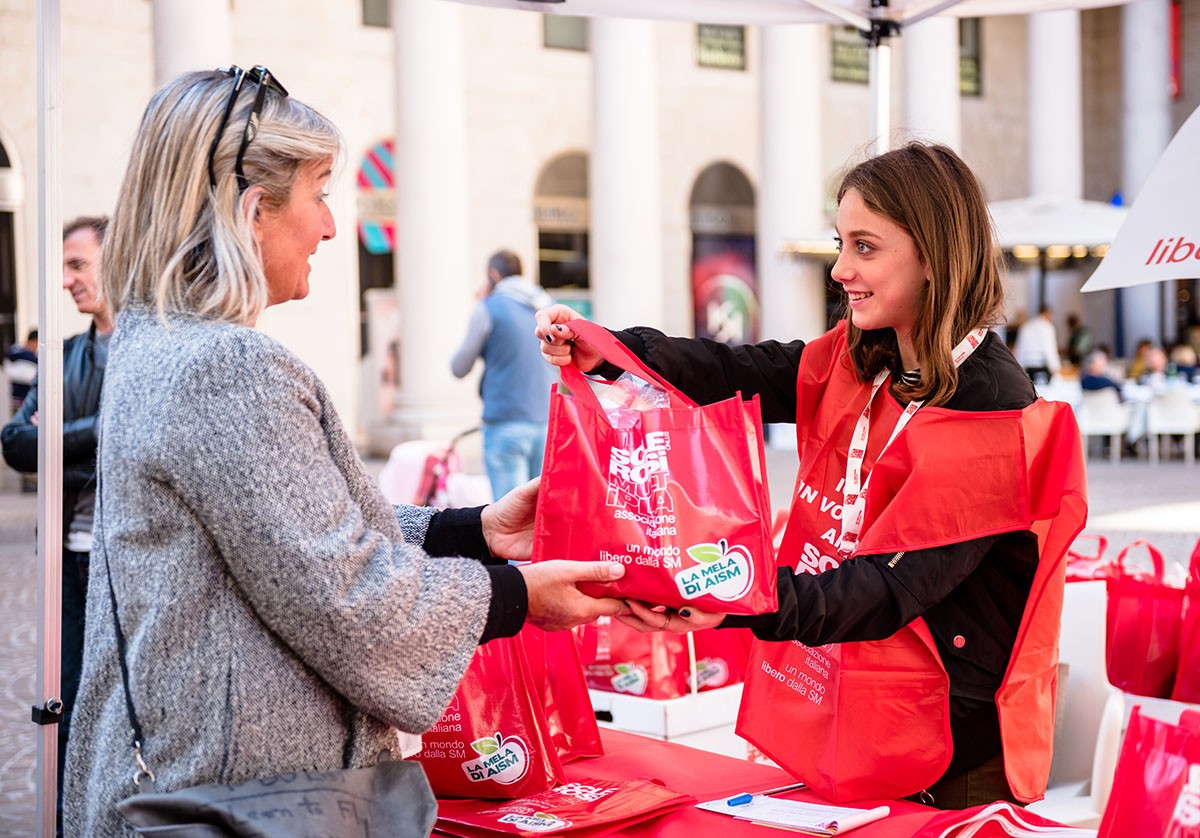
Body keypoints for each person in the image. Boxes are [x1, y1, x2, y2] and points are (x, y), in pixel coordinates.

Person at [63, 67, 628, 837]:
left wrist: (474, 531)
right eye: (321, 192)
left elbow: (289, 532)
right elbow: (345, 596)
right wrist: (518, 594)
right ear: (252, 211)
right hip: (239, 797)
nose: (331, 227)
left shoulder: (156, 344)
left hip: (187, 774)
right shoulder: (228, 368)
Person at [536, 142, 1084, 810]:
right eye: (839, 243)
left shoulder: (991, 404)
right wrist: (614, 350)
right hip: (862, 711)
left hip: (950, 751)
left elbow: (886, 589)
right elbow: (740, 372)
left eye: (865, 246)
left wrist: (737, 599)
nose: (841, 269)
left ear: (934, 256)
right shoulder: (868, 355)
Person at [2, 215, 113, 831]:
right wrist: (96, 439)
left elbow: (137, 437)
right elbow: (16, 443)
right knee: (68, 697)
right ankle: (73, 821)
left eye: (77, 265)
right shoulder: (62, 356)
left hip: (125, 558)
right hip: (67, 556)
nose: (66, 281)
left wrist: (59, 443)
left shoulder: (153, 352)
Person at [451, 249, 556, 499]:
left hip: (506, 424)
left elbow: (459, 367)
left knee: (510, 516)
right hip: (546, 421)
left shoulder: (489, 307)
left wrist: (482, 303)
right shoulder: (546, 305)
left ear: (493, 275)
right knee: (540, 510)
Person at [1013, 305, 1060, 384]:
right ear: (1047, 313)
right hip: (1042, 369)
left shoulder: (1026, 326)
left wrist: (1019, 370)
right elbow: (1049, 349)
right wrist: (1055, 368)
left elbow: (1020, 349)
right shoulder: (1047, 327)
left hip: (1027, 369)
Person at [4, 328, 38, 413]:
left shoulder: (27, 355)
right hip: (18, 399)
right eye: (37, 343)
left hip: (24, 399)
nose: (37, 347)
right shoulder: (21, 353)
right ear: (34, 341)